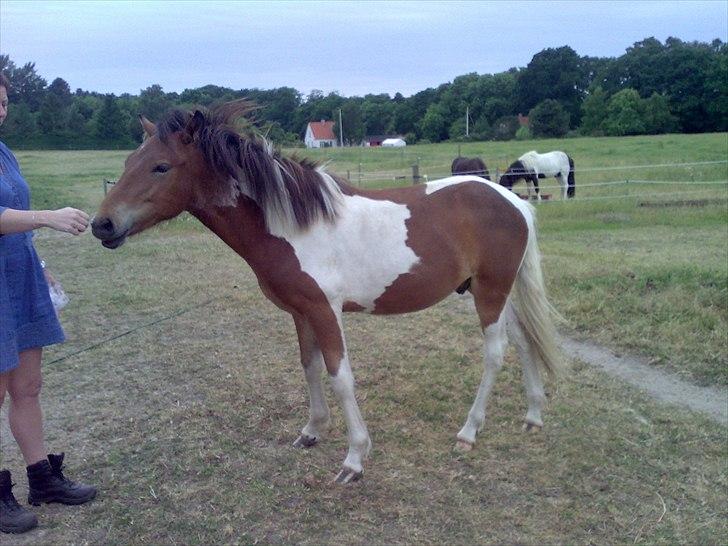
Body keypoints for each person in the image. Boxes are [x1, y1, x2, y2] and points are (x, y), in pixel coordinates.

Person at [0, 73, 97, 534]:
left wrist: (37, 264)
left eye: (2, 103)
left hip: (19, 276)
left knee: (28, 387)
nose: (0, 111)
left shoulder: (5, 153)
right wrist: (48, 217)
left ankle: (42, 478)